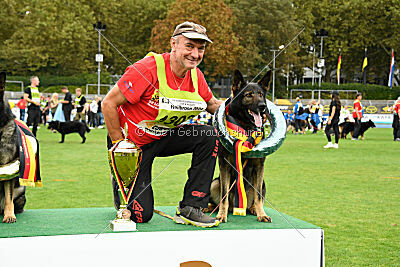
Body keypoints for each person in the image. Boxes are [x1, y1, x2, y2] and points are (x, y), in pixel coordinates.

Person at [102, 21, 222, 227]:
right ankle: (122, 182)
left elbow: (212, 105)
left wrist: (246, 113)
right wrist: (119, 145)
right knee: (141, 216)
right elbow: (108, 103)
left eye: (200, 49)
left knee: (209, 134)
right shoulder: (147, 69)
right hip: (133, 144)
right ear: (173, 44)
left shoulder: (196, 75)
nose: (195, 54)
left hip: (165, 137)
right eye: (189, 46)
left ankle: (191, 207)